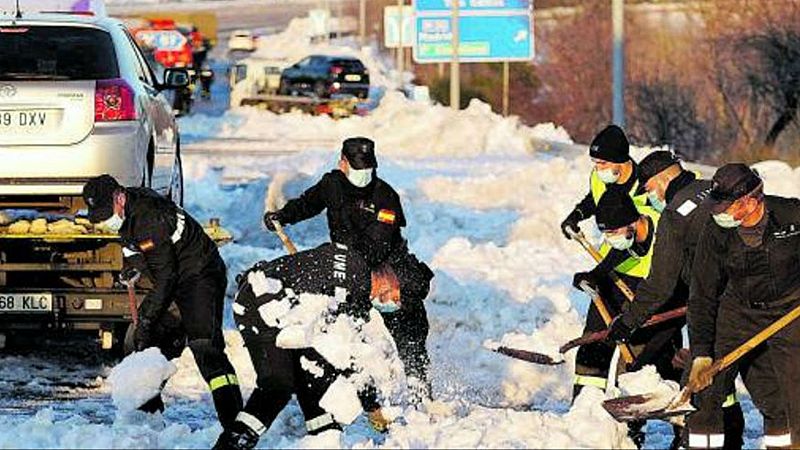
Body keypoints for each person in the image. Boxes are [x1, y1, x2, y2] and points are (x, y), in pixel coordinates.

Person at [264, 137, 434, 402]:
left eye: (368, 169)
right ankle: (353, 396)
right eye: (357, 168)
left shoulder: (385, 196)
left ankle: (419, 391)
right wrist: (282, 216)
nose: (363, 174)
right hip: (349, 272)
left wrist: (348, 263)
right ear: (342, 163)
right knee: (345, 332)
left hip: (389, 271)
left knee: (410, 336)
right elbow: (309, 203)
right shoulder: (332, 184)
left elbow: (379, 242)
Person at [606, 151, 744, 449]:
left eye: (649, 189)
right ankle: (732, 436)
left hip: (716, 304)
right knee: (734, 375)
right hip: (753, 296)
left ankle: (693, 442)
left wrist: (628, 321)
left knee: (702, 381)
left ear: (663, 178)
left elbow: (660, 283)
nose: (651, 197)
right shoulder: (716, 188)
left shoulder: (674, 215)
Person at [82, 174, 242, 429]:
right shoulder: (127, 214)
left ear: (119, 197)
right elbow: (137, 252)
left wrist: (146, 316)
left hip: (201, 276)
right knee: (147, 345)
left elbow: (166, 277)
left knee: (205, 347)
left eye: (105, 213)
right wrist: (132, 267)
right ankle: (147, 422)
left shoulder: (149, 217)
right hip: (174, 277)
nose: (105, 221)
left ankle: (236, 427)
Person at [213, 243, 375, 450]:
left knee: (313, 374)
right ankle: (233, 444)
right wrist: (372, 404)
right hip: (260, 305)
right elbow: (348, 351)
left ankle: (324, 439)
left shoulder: (354, 267)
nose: (387, 301)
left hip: (287, 311)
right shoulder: (350, 288)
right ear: (388, 279)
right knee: (277, 385)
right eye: (393, 296)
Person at [686, 163, 800, 449]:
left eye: (724, 206)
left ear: (749, 201)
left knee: (794, 398)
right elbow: (702, 291)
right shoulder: (716, 231)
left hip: (790, 314)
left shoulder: (792, 216)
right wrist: (701, 352)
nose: (717, 213)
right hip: (738, 313)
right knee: (707, 390)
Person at [570, 187, 668, 448]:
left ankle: (630, 434)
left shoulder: (666, 230)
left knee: (636, 364)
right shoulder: (624, 226)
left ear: (634, 222)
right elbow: (623, 250)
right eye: (606, 234)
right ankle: (582, 415)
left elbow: (664, 284)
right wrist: (596, 274)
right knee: (592, 347)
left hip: (656, 291)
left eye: (613, 233)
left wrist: (632, 319)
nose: (610, 238)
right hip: (618, 279)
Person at [560, 125, 647, 241]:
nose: (598, 168)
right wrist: (576, 216)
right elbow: (594, 200)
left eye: (603, 163)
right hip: (611, 245)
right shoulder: (598, 177)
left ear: (620, 160)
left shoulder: (645, 185)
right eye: (595, 162)